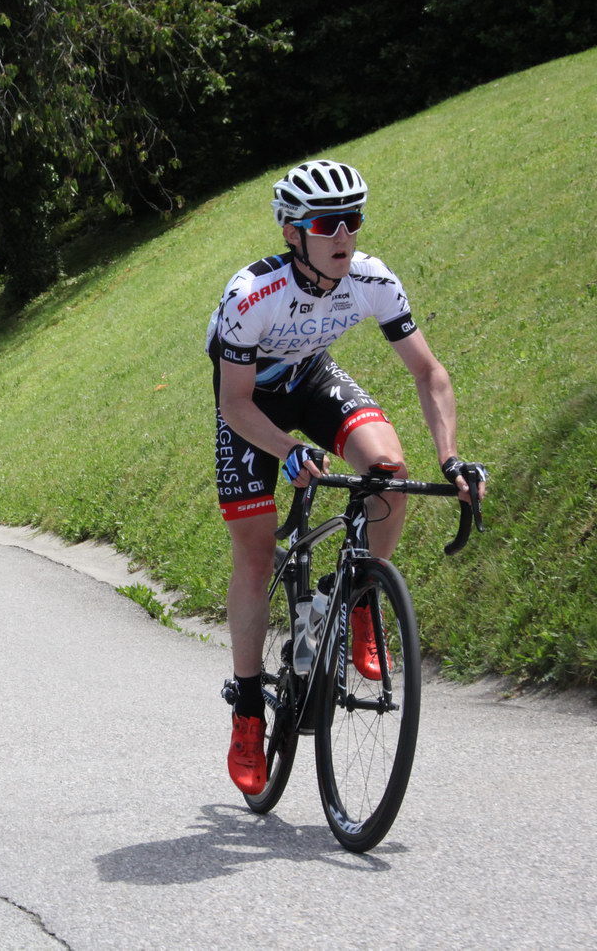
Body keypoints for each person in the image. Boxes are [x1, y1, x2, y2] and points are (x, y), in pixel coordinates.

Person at [205, 159, 487, 796]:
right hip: (252, 405)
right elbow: (234, 404)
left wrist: (452, 460)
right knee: (253, 550)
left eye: (352, 222)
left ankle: (357, 595)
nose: (343, 237)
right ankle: (249, 707)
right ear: (292, 233)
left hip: (309, 378)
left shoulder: (371, 279)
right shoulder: (250, 294)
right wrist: (287, 451)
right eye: (327, 224)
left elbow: (429, 374)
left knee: (390, 473)